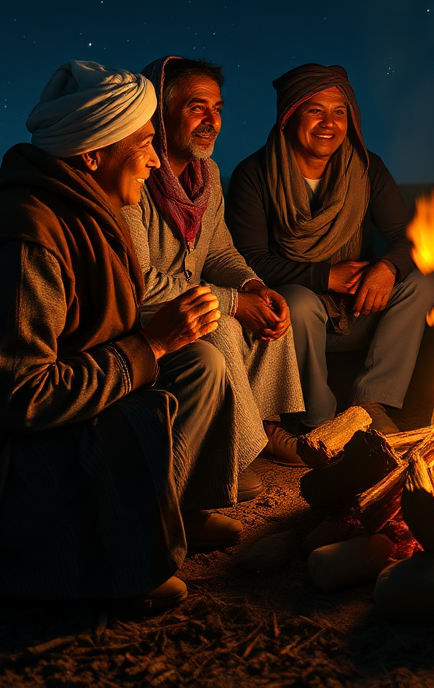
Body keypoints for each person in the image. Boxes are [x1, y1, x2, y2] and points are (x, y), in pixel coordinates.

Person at [0, 61, 244, 614]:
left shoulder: (92, 210)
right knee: (142, 410)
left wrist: (167, 343)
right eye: (143, 144)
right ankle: (101, 561)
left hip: (72, 401)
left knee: (201, 365)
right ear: (93, 153)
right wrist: (151, 347)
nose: (153, 158)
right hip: (8, 459)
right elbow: (21, 395)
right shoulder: (28, 234)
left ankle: (175, 511)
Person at [124, 57, 306, 505]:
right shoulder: (134, 177)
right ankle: (230, 455)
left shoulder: (208, 176)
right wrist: (229, 302)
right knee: (219, 320)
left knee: (266, 303)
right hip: (144, 314)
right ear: (160, 113)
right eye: (195, 107)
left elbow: (220, 251)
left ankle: (262, 425)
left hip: (187, 297)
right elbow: (139, 282)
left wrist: (249, 286)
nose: (212, 120)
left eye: (218, 108)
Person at [227, 63, 434, 435]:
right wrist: (325, 276)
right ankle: (319, 422)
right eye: (315, 110)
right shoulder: (256, 174)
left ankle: (371, 402)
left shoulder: (366, 168)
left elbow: (409, 237)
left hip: (357, 305)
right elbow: (248, 260)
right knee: (299, 301)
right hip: (294, 320)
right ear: (289, 116)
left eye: (340, 112)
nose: (329, 123)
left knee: (419, 282)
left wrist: (385, 268)